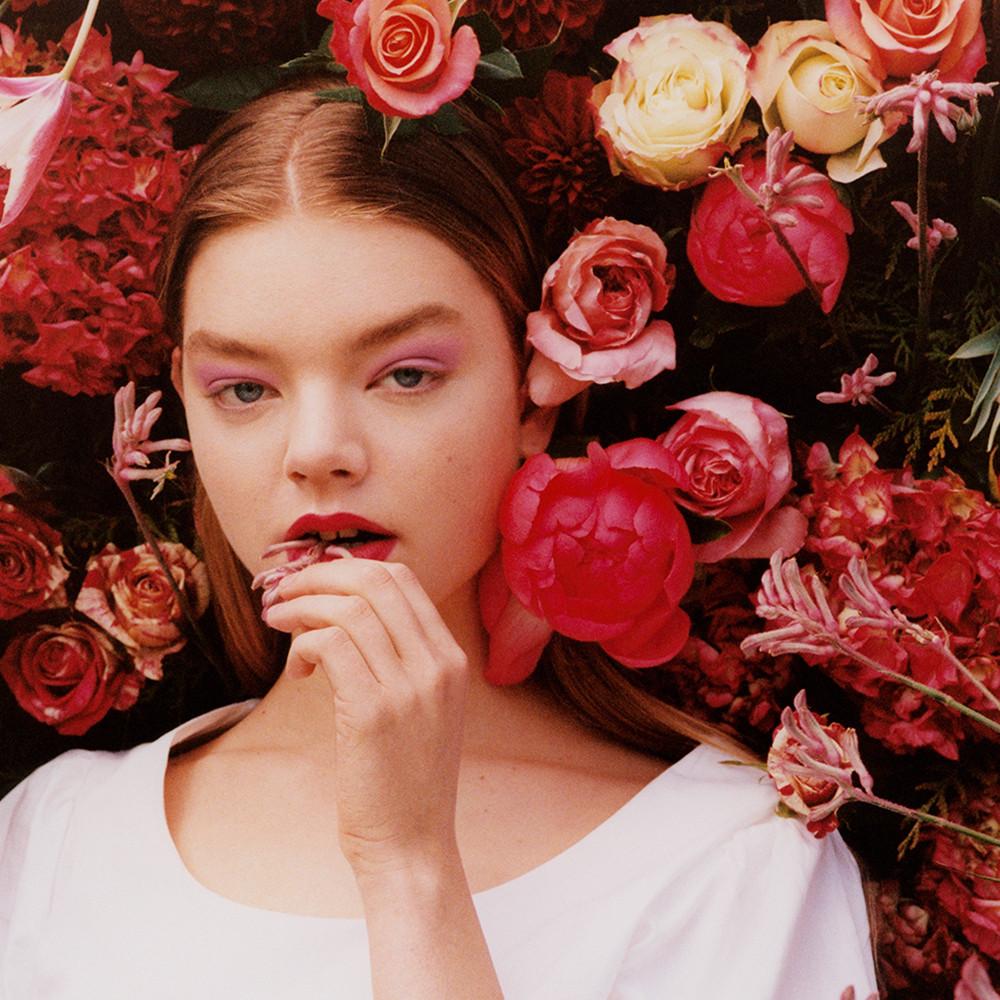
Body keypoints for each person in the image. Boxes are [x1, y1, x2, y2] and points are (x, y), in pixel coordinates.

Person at [0, 79, 878, 999]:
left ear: (536, 392)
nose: (318, 453)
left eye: (407, 375)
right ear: (182, 395)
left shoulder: (729, 864)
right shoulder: (59, 841)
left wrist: (410, 866)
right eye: (246, 391)